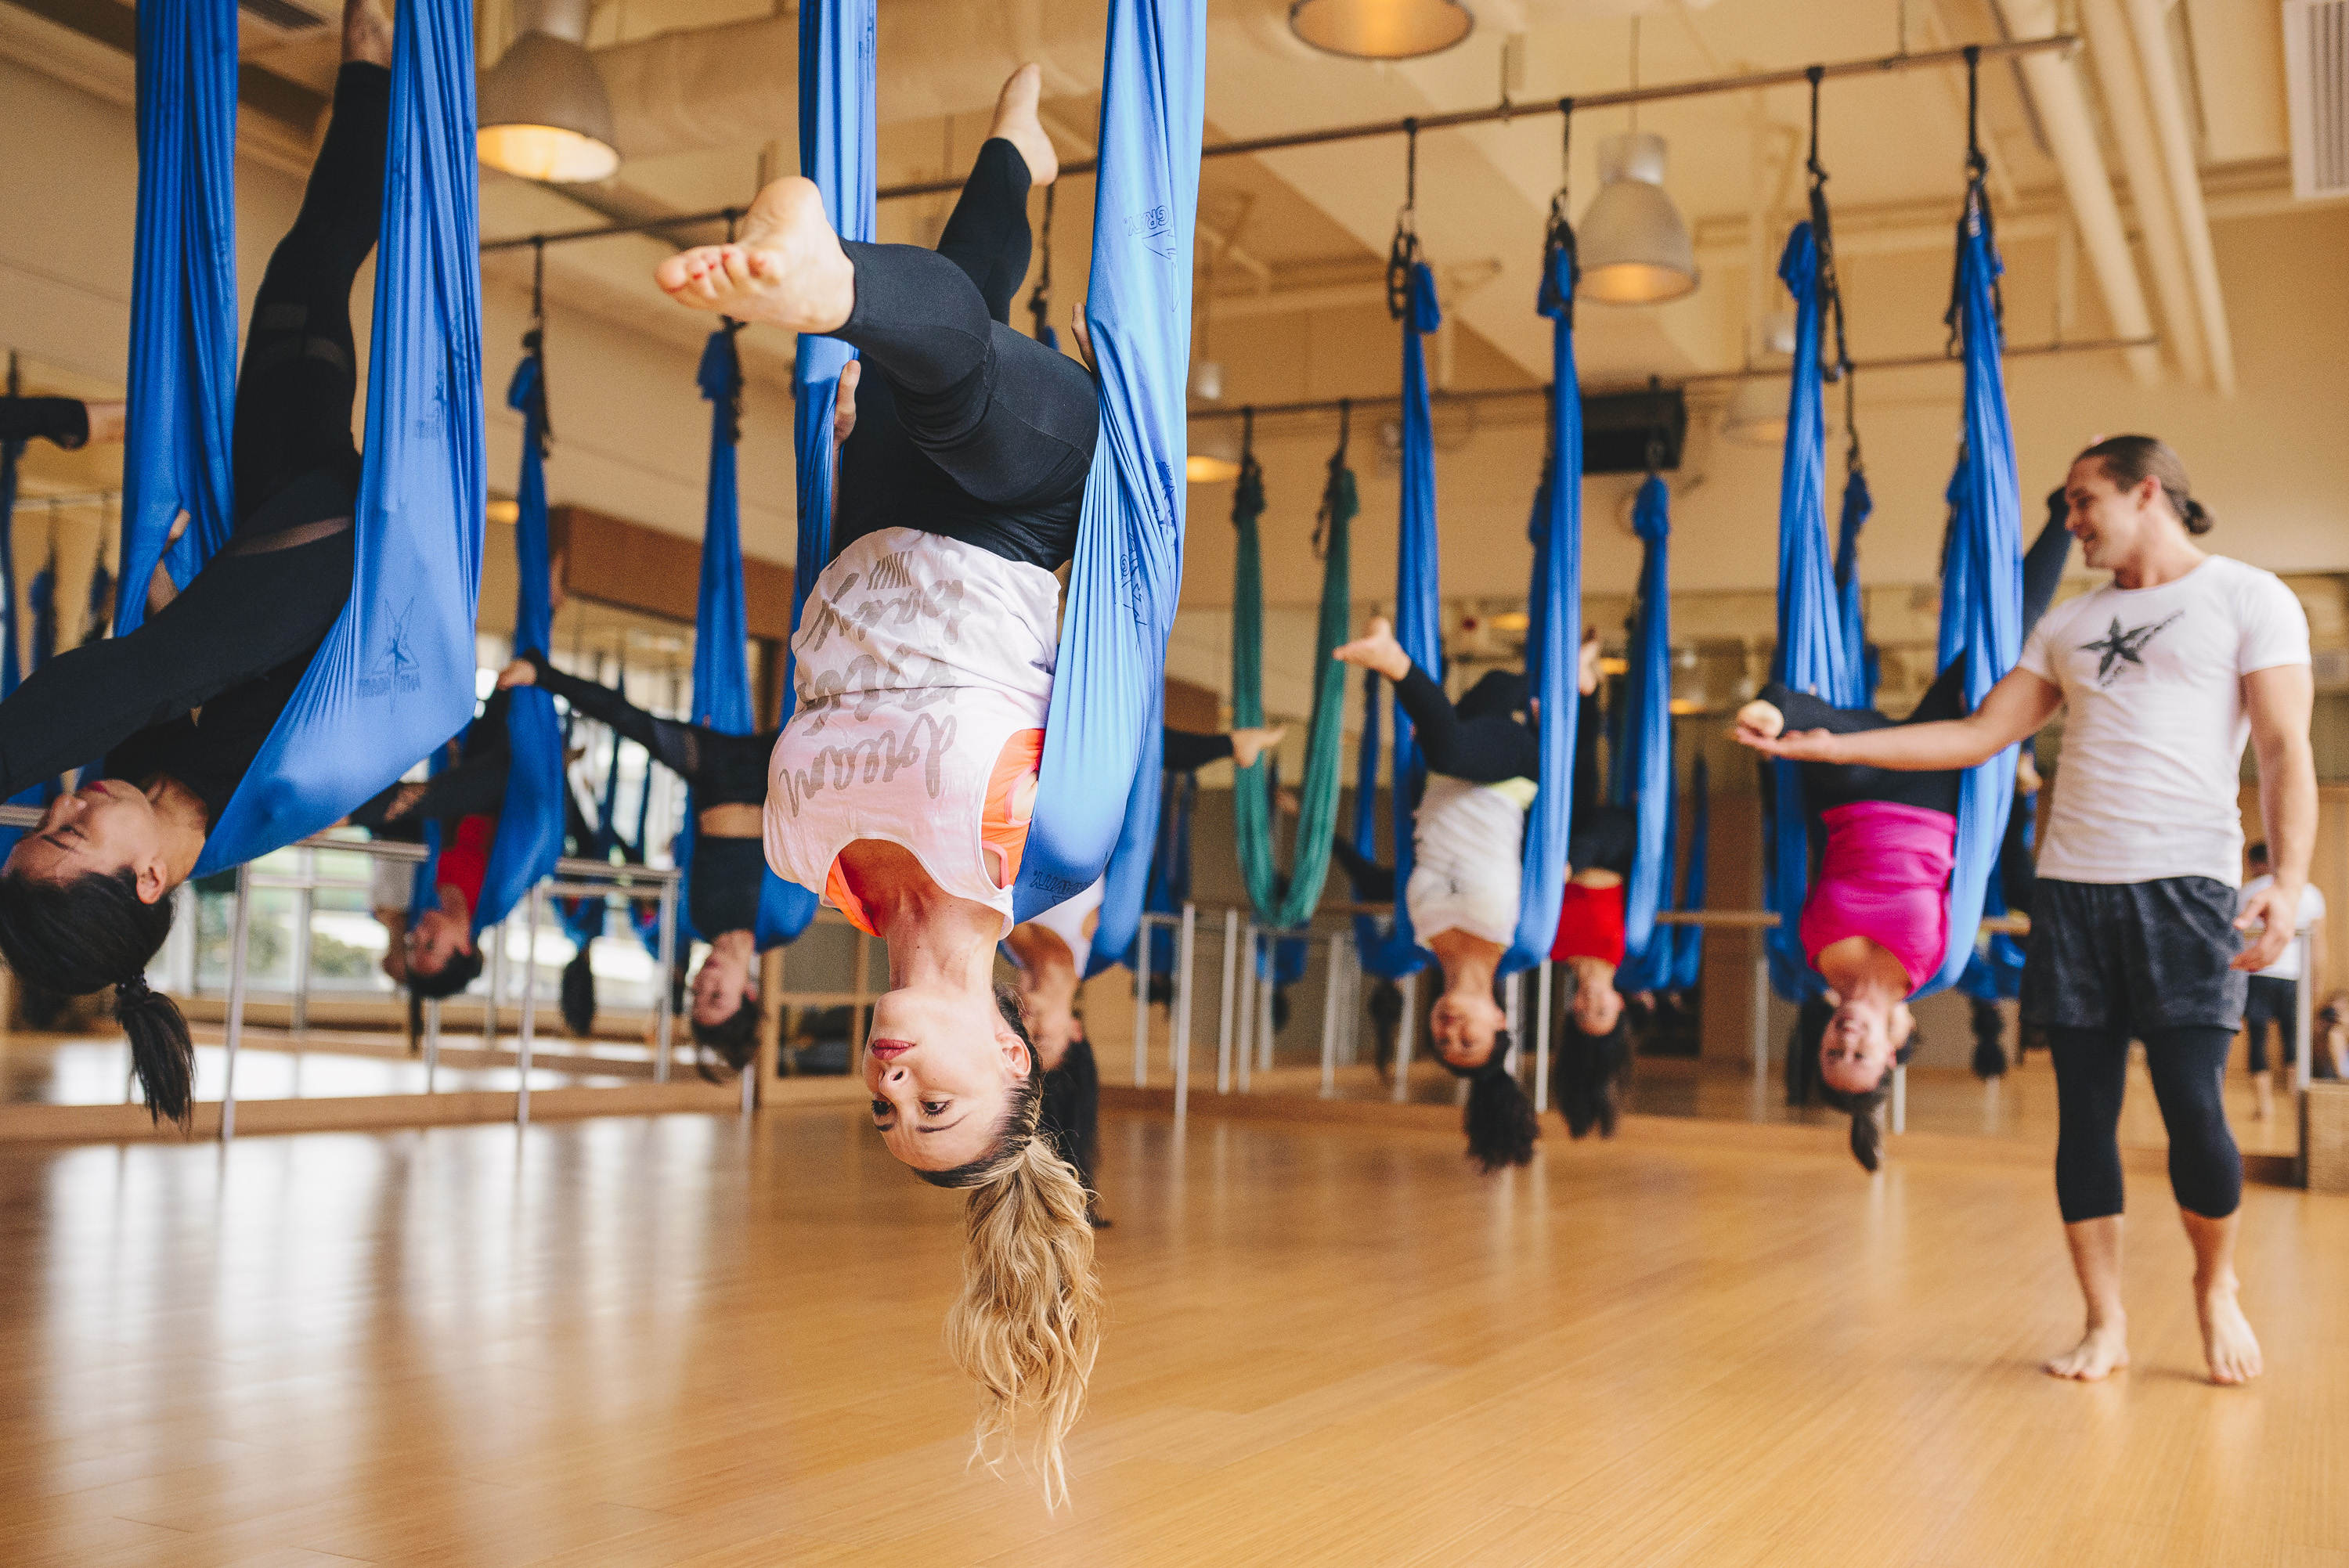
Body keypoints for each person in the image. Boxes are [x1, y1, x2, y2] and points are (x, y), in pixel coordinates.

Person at [658, 66, 1102, 1496]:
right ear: (1015, 1058)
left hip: (876, 512)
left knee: (948, 318)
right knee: (953, 361)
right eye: (936, 1105)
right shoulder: (1039, 849)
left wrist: (856, 473)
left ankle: (1015, 152)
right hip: (1022, 503)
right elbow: (1114, 671)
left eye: (883, 1115)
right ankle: (826, 271)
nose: (893, 1086)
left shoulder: (806, 869)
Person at [1740, 435, 2314, 1387]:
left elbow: (2285, 749)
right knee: (2083, 1117)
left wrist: (2287, 881)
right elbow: (1976, 735)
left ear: (2148, 490)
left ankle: (2215, 1284)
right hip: (2074, 891)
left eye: (2084, 500)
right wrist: (1822, 745)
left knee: (2194, 1110)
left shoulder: (2250, 596)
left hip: (2187, 889)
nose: (2072, 519)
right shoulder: (2068, 624)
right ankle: (2104, 1318)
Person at [0, 0, 399, 1126]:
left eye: (45, 817)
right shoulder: (256, 807)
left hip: (270, 525)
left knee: (303, 277)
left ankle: (370, 70)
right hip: (346, 561)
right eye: (70, 832)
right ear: (148, 879)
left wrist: (169, 572)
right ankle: (394, 79)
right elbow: (153, 671)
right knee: (157, 665)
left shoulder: (138, 781)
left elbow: (163, 659)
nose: (67, 801)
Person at [1734, 506, 2073, 1169]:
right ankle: (2063, 514)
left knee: (1791, 718)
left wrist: (1775, 767)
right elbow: (1977, 870)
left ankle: (1773, 704)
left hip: (1851, 788)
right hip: (1935, 794)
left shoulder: (1807, 957)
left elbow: (1791, 854)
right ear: (1892, 1050)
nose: (1844, 1039)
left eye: (1833, 1051)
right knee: (2002, 645)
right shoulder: (1938, 968)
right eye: (1859, 1053)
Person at [1323, 625, 1628, 1171]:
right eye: (1469, 1040)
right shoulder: (1525, 939)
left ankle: (1571, 675)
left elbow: (1392, 871)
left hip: (1446, 774)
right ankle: (1395, 661)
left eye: (1443, 1042)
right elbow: (1548, 853)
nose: (1450, 1031)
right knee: (1453, 738)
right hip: (1507, 778)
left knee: (1494, 686)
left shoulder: (1419, 939)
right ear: (1500, 1021)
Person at [2239, 839, 2327, 1121]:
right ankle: (2298, 1107)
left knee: (2258, 1041)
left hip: (2258, 974)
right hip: (2294, 977)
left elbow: (2237, 938)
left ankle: (2264, 1108)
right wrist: (2317, 979)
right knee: (2294, 1042)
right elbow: (2318, 944)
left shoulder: (2247, 892)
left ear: (2255, 863)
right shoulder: (2310, 893)